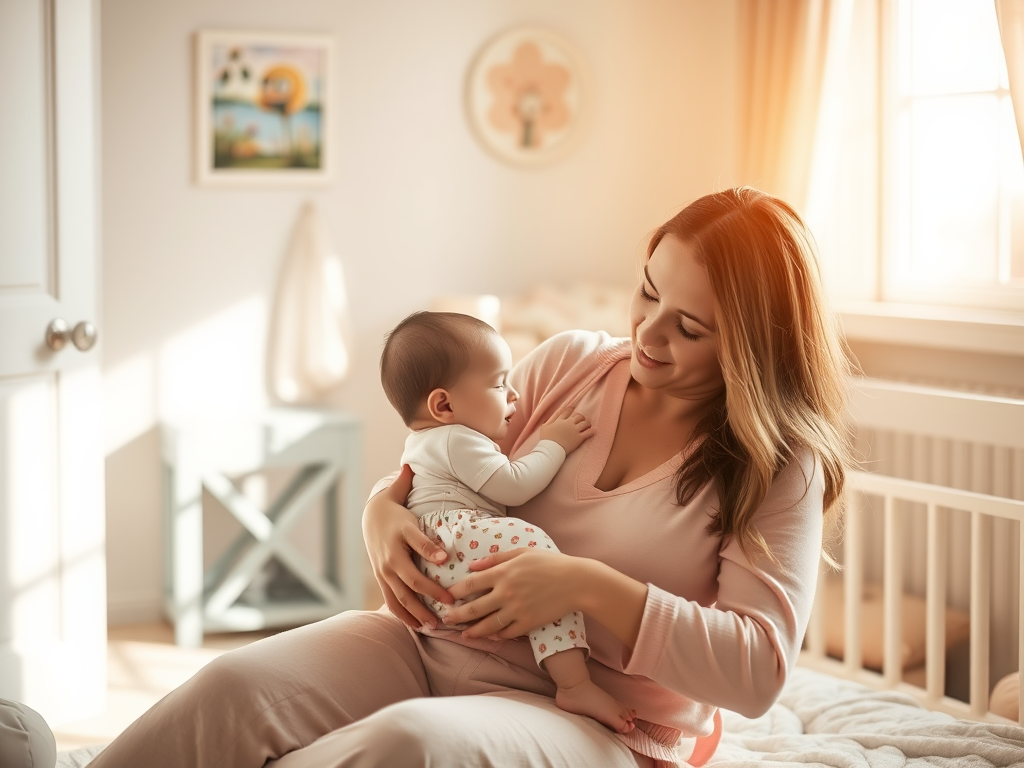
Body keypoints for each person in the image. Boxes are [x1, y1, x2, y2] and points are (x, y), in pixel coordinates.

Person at [88, 187, 853, 768]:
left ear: (753, 344)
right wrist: (378, 512)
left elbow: (758, 672)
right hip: (434, 649)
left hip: (602, 720)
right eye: (648, 292)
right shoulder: (571, 367)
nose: (647, 334)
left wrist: (582, 586)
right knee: (235, 687)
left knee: (406, 743)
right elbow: (443, 460)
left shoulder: (774, 463)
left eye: (688, 327)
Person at [378, 310, 636, 734]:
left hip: (437, 566)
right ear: (444, 404)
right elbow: (515, 485)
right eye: (499, 383)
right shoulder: (458, 438)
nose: (514, 394)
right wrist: (553, 442)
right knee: (541, 560)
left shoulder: (424, 443)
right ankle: (573, 682)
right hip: (456, 540)